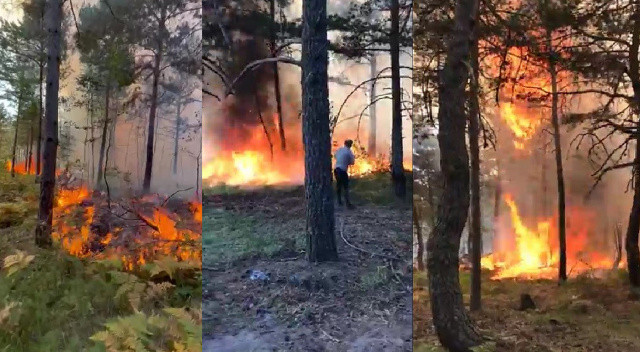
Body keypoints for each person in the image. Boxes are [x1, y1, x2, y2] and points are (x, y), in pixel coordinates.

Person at [334, 139, 355, 209]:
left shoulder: (339, 150)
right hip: (343, 170)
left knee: (339, 185)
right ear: (350, 145)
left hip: (336, 170)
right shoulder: (349, 152)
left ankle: (339, 201)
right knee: (346, 187)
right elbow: (352, 162)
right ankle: (348, 203)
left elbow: (335, 156)